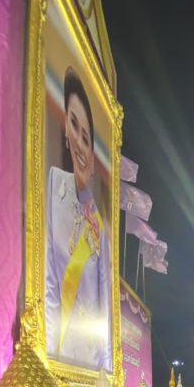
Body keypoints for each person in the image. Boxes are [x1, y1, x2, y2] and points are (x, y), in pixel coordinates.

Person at [45, 67, 111, 371]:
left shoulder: (100, 226)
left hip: (90, 363)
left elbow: (104, 307)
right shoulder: (53, 185)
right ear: (66, 132)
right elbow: (48, 282)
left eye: (87, 137)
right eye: (74, 125)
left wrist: (105, 376)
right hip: (55, 355)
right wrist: (50, 359)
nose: (80, 145)